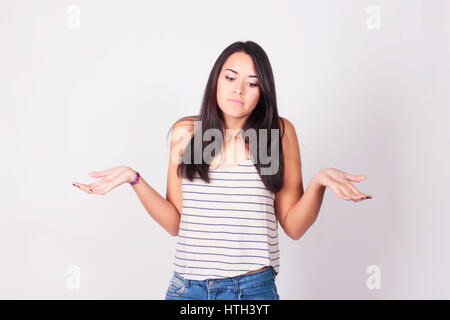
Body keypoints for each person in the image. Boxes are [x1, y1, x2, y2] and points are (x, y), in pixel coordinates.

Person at [72, 41, 373, 300]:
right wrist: (133, 178)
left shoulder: (272, 135)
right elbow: (176, 222)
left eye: (252, 83)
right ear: (216, 80)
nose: (239, 89)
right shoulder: (191, 133)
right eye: (230, 78)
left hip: (251, 290)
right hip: (188, 289)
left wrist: (318, 183)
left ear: (263, 92)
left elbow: (293, 226)